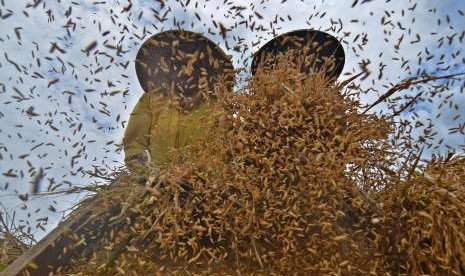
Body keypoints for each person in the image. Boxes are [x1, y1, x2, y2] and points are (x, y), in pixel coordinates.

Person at [123, 30, 235, 170]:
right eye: (179, 64)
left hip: (202, 184)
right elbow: (134, 144)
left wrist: (195, 175)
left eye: (192, 65)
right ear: (170, 67)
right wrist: (148, 173)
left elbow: (224, 153)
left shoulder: (217, 109)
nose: (185, 71)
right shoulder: (152, 99)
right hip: (151, 183)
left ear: (202, 70)